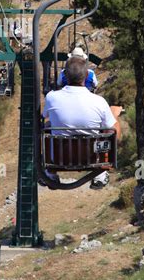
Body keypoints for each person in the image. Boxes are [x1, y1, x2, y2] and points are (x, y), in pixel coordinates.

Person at [43, 57, 122, 187]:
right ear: (86, 75)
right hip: (91, 158)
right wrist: (113, 114)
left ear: (65, 76)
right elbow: (115, 134)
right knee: (111, 127)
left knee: (47, 126)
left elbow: (44, 115)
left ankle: (51, 173)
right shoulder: (99, 101)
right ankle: (101, 173)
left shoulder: (52, 97)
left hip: (60, 159)